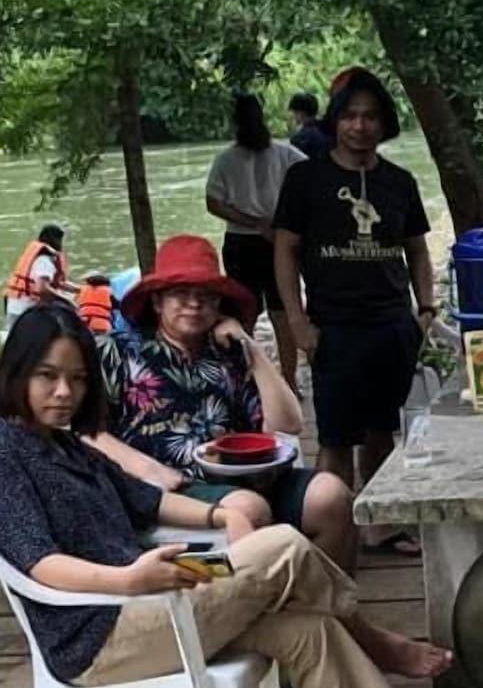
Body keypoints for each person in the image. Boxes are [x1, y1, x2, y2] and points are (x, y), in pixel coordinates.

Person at [0, 304, 483, 688]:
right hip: (102, 630)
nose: (64, 392)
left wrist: (221, 514)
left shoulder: (64, 444)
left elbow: (148, 501)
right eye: (47, 376)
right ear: (16, 372)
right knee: (283, 544)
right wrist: (128, 581)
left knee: (308, 627)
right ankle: (377, 641)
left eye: (76, 379)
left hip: (160, 589)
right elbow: (41, 565)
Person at [93, 234, 357, 574]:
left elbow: (289, 424)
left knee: (332, 496)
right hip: (170, 487)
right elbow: (80, 429)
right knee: (250, 508)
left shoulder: (228, 352)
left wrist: (252, 349)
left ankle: (321, 602)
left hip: (248, 475)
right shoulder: (115, 351)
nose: (194, 304)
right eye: (181, 294)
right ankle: (267, 601)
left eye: (206, 295)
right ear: (157, 301)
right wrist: (145, 468)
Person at [274, 68, 438, 557]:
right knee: (335, 438)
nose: (360, 126)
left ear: (383, 124)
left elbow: (417, 250)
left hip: (392, 324)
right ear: (335, 121)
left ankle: (380, 525)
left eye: (370, 117)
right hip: (334, 327)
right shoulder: (305, 179)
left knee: (382, 430)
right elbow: (285, 251)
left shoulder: (399, 182)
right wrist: (297, 321)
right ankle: (333, 535)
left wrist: (425, 308)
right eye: (350, 116)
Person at [204, 94, 305, 387]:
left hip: (241, 243)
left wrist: (252, 222)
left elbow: (213, 203)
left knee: (244, 316)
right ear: (263, 118)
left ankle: (246, 383)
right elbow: (313, 180)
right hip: (277, 242)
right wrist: (282, 221)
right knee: (282, 315)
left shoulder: (226, 159)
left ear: (235, 123)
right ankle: (289, 383)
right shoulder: (286, 154)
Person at [2, 224, 79, 325]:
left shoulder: (39, 255)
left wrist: (82, 290)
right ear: (54, 239)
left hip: (14, 306)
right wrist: (68, 301)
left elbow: (58, 283)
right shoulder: (44, 260)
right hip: (26, 311)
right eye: (61, 240)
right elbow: (43, 289)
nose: (62, 244)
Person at [287, 90, 331, 159]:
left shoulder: (300, 138)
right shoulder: (327, 131)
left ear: (301, 113)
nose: (294, 116)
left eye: (295, 112)